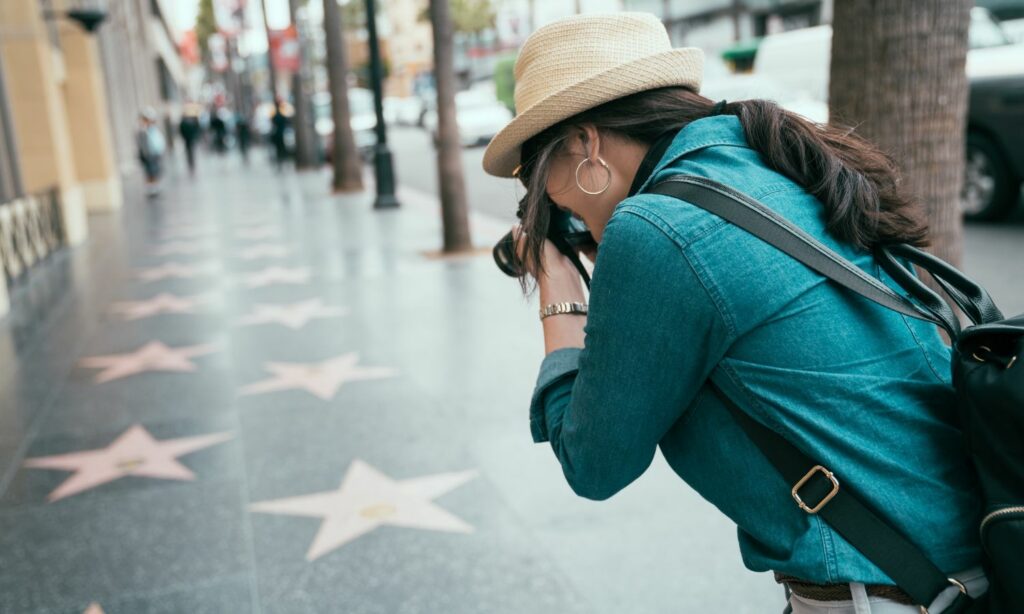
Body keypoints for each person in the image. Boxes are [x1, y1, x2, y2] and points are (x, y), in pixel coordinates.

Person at [482, 13, 986, 614]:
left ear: (583, 144)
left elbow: (593, 464)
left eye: (533, 177)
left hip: (881, 592)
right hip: (958, 561)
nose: (545, 201)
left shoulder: (655, 229)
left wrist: (558, 289)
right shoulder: (766, 160)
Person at [136, 108, 166, 197]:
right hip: (149, 155)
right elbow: (143, 144)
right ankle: (151, 189)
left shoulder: (152, 129)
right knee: (150, 172)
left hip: (155, 153)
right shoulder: (142, 130)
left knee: (156, 171)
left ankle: (155, 187)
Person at [178, 104, 202, 176]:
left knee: (190, 150)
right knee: (190, 150)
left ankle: (191, 161)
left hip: (188, 138)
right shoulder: (187, 122)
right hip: (189, 138)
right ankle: (191, 161)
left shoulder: (187, 121)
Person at [270, 100, 290, 170]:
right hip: (281, 133)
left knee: (279, 149)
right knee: (282, 148)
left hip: (278, 133)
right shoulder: (281, 113)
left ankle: (280, 161)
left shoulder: (274, 113)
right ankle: (283, 161)